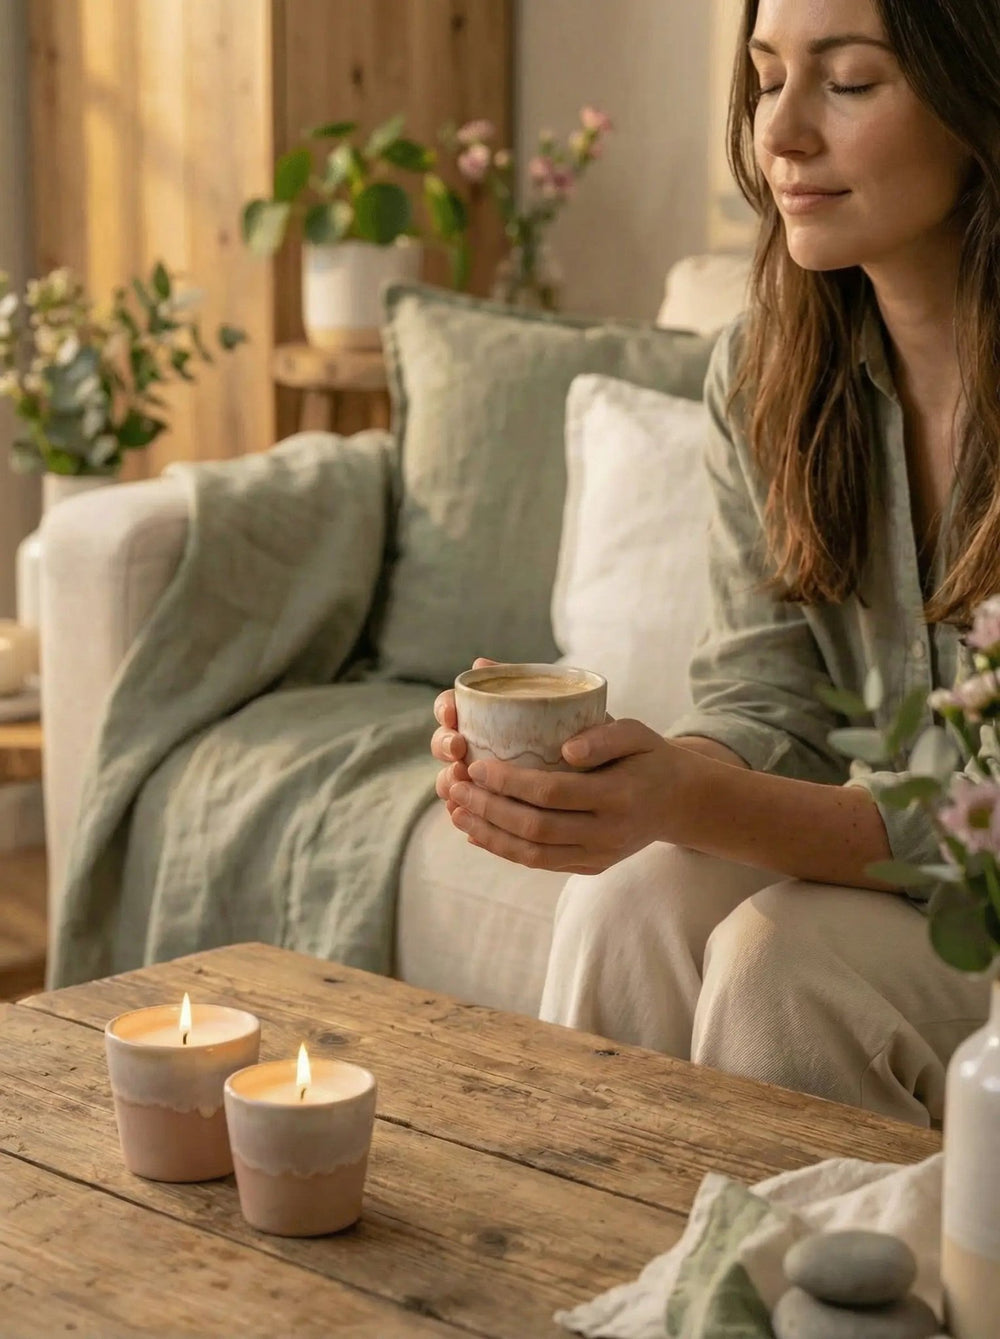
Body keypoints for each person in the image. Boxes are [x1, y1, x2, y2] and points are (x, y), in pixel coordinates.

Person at [429, 0, 1000, 1128]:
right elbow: (768, 694)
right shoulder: (766, 367)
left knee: (784, 967)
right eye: (766, 75)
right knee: (627, 902)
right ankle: (602, 1279)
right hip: (926, 884)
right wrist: (630, 781)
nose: (777, 134)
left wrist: (692, 797)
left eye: (847, 83)